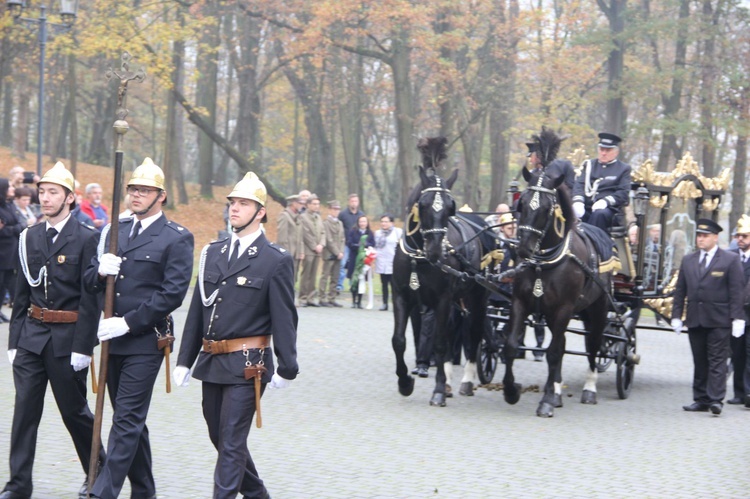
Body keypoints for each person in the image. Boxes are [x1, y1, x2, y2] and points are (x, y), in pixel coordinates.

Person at [173, 171, 298, 499]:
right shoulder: (212, 253)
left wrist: (288, 366)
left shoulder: (275, 260)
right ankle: (258, 495)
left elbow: (285, 318)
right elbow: (199, 308)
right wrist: (184, 360)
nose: (234, 209)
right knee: (220, 437)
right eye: (232, 203)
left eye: (243, 203)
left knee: (231, 440)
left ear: (260, 213)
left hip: (248, 365)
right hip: (212, 361)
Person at [85, 157, 194, 498]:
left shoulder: (176, 238)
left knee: (126, 420)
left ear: (160, 196)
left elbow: (172, 293)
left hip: (146, 341)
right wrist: (100, 270)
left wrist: (127, 323)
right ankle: (144, 490)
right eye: (133, 189)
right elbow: (88, 281)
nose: (136, 195)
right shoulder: (115, 231)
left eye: (144, 190)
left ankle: (103, 492)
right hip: (111, 341)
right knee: (129, 420)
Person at [1, 162, 103, 499]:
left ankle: (97, 472)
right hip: (32, 335)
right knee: (24, 413)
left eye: (53, 193)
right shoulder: (28, 235)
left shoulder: (88, 237)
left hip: (67, 338)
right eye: (42, 192)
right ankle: (18, 485)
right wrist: (14, 340)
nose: (45, 199)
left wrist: (84, 347)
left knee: (74, 413)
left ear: (70, 198)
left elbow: (92, 298)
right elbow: (21, 292)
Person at [671, 218, 745, 416]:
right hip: (696, 318)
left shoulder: (729, 260)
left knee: (717, 360)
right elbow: (680, 290)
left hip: (719, 320)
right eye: (699, 236)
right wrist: (676, 315)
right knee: (700, 360)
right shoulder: (689, 259)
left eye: (705, 236)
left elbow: (736, 291)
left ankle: (715, 399)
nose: (701, 239)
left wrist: (738, 318)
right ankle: (700, 399)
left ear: (715, 237)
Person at [572, 132, 632, 232]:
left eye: (608, 150)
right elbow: (579, 185)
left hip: (609, 211)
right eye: (601, 149)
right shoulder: (589, 165)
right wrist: (578, 201)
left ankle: (592, 243)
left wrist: (606, 201)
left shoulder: (623, 168)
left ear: (616, 152)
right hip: (586, 207)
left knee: (599, 214)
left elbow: (623, 193)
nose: (604, 153)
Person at [728, 215, 750, 406]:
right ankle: (739, 393)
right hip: (736, 314)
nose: (740, 239)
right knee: (737, 354)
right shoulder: (732, 258)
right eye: (738, 236)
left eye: (745, 236)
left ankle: (749, 393)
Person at [0, 179, 24, 323]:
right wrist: (16, 228)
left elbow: (19, 223)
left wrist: (14, 228)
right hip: (2, 252)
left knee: (5, 284)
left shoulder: (8, 205)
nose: (12, 188)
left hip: (11, 252)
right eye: (9, 187)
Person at [298, 194, 325, 307]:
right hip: (309, 250)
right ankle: (303, 297)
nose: (316, 206)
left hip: (318, 251)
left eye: (318, 204)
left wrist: (322, 244)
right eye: (314, 204)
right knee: (306, 274)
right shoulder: (303, 217)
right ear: (308, 205)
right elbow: (305, 234)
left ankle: (311, 297)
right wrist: (315, 246)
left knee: (314, 275)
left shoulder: (318, 217)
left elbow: (323, 232)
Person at [319, 200, 345, 307]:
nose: (336, 211)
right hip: (329, 253)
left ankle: (332, 297)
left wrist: (341, 252)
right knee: (325, 276)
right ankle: (322, 297)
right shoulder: (325, 223)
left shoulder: (340, 223)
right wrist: (337, 252)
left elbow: (343, 239)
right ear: (329, 210)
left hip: (339, 254)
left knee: (335, 277)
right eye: (334, 209)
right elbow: (328, 240)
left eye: (338, 209)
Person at [374, 214, 402, 311]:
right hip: (381, 262)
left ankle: (396, 304)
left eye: (386, 221)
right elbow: (375, 247)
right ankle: (385, 303)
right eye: (382, 221)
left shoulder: (397, 232)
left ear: (391, 223)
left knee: (394, 285)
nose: (384, 223)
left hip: (393, 262)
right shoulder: (377, 233)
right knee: (384, 284)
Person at [337, 194, 364, 291]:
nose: (354, 203)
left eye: (356, 201)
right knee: (342, 265)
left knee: (355, 265)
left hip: (357, 245)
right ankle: (339, 285)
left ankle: (353, 285)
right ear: (349, 202)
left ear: (358, 202)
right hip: (345, 244)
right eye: (352, 201)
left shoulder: (361, 214)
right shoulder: (343, 214)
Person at [346, 215, 374, 308]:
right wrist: (358, 246)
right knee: (354, 280)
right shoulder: (353, 232)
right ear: (358, 222)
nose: (362, 223)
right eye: (361, 221)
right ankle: (354, 300)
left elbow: (373, 243)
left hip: (364, 260)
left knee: (361, 280)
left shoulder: (370, 233)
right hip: (354, 258)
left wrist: (366, 246)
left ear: (367, 223)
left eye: (364, 221)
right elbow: (349, 243)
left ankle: (360, 301)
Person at [276, 194, 303, 282]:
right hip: (288, 253)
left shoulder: (298, 217)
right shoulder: (284, 216)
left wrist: (301, 251)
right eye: (299, 203)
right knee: (285, 277)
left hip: (296, 254)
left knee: (294, 277)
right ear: (293, 204)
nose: (301, 205)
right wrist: (285, 254)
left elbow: (300, 236)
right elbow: (282, 238)